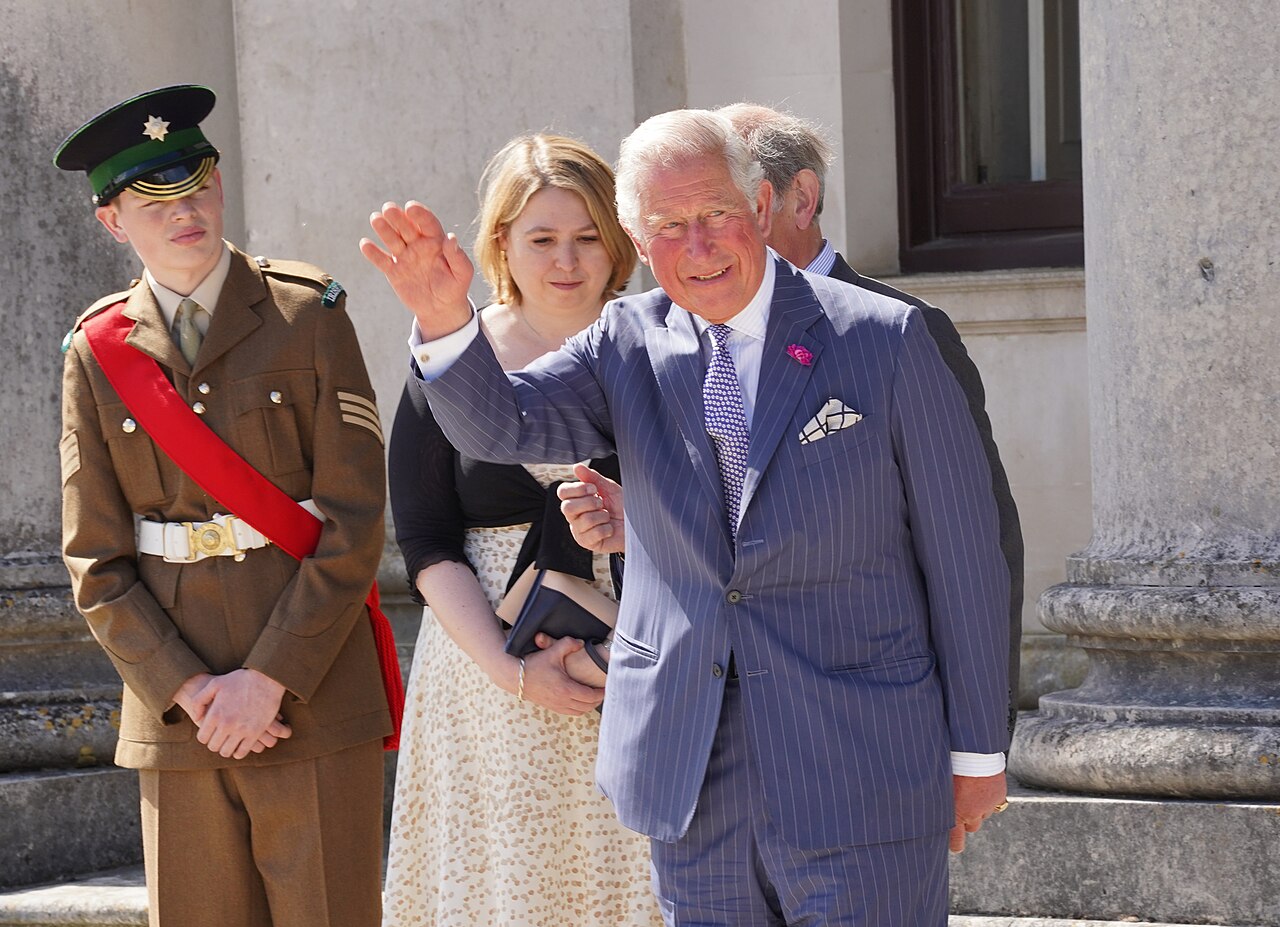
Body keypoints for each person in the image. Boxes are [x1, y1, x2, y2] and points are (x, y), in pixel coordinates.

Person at [363, 109, 1010, 925]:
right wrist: (444, 321)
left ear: (763, 208)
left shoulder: (884, 338)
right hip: (692, 774)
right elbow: (504, 424)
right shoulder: (625, 341)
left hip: (859, 767)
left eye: (715, 216)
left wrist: (978, 750)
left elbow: (966, 562)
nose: (697, 247)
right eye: (669, 225)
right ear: (639, 237)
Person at [561, 101, 1026, 737]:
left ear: (793, 200)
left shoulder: (897, 333)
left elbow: (974, 542)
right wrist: (644, 526)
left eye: (725, 203)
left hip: (871, 734)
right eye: (674, 216)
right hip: (709, 735)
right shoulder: (670, 336)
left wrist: (979, 737)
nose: (706, 239)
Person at [56, 85, 391, 927]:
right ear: (111, 220)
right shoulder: (96, 354)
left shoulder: (306, 314)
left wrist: (270, 678)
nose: (185, 212)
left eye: (197, 184)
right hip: (181, 719)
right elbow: (95, 558)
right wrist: (193, 688)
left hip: (311, 696)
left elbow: (356, 518)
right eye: (154, 199)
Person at [379, 134, 661, 926]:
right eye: (541, 238)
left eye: (586, 238)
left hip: (639, 655)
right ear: (501, 242)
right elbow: (427, 541)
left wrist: (621, 647)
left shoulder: (665, 346)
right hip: (487, 671)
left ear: (619, 243)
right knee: (507, 888)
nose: (566, 260)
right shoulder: (447, 355)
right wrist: (512, 674)